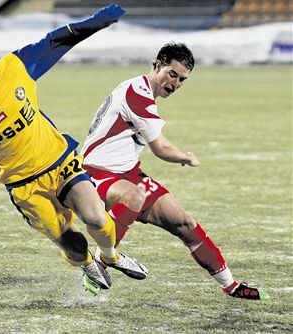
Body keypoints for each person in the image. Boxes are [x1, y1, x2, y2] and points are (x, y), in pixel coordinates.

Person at [0, 4, 147, 294]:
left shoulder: (14, 69)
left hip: (59, 162)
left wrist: (96, 22)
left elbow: (55, 41)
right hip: (24, 187)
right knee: (74, 246)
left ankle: (111, 256)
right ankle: (87, 263)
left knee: (96, 217)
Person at [80, 42, 269, 300]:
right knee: (134, 196)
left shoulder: (141, 90)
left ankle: (231, 286)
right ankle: (100, 265)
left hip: (128, 173)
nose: (176, 83)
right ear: (157, 64)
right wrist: (187, 157)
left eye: (182, 79)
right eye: (172, 74)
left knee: (184, 223)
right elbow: (161, 149)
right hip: (96, 174)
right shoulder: (138, 93)